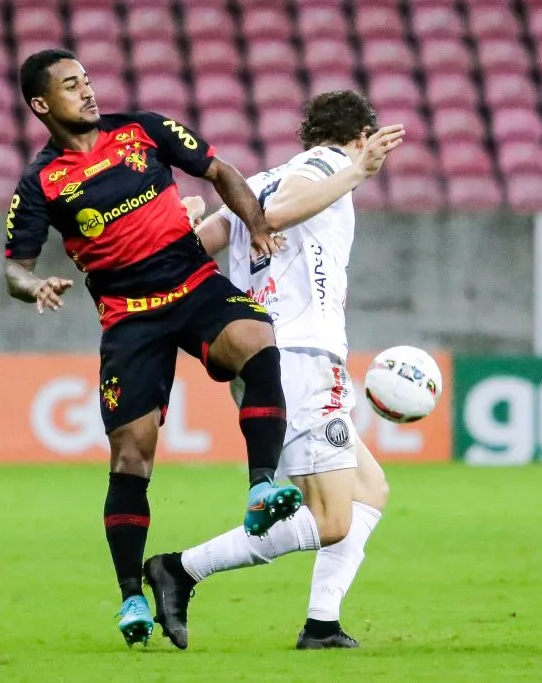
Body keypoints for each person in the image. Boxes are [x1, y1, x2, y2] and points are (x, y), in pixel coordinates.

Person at [1, 49, 303, 647]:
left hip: (194, 283)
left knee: (256, 340)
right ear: (42, 104)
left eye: (87, 80)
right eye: (71, 85)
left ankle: (262, 487)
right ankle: (131, 597)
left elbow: (220, 171)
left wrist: (258, 224)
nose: (87, 91)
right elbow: (15, 268)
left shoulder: (143, 129)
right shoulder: (40, 183)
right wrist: (35, 286)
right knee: (131, 458)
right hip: (129, 318)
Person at [144, 91, 404, 650]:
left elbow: (199, 245)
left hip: (267, 352)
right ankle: (181, 569)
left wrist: (179, 226)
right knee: (330, 519)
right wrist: (356, 171)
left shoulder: (260, 178)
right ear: (361, 136)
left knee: (369, 489)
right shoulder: (327, 165)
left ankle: (322, 624)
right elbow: (278, 214)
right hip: (300, 354)